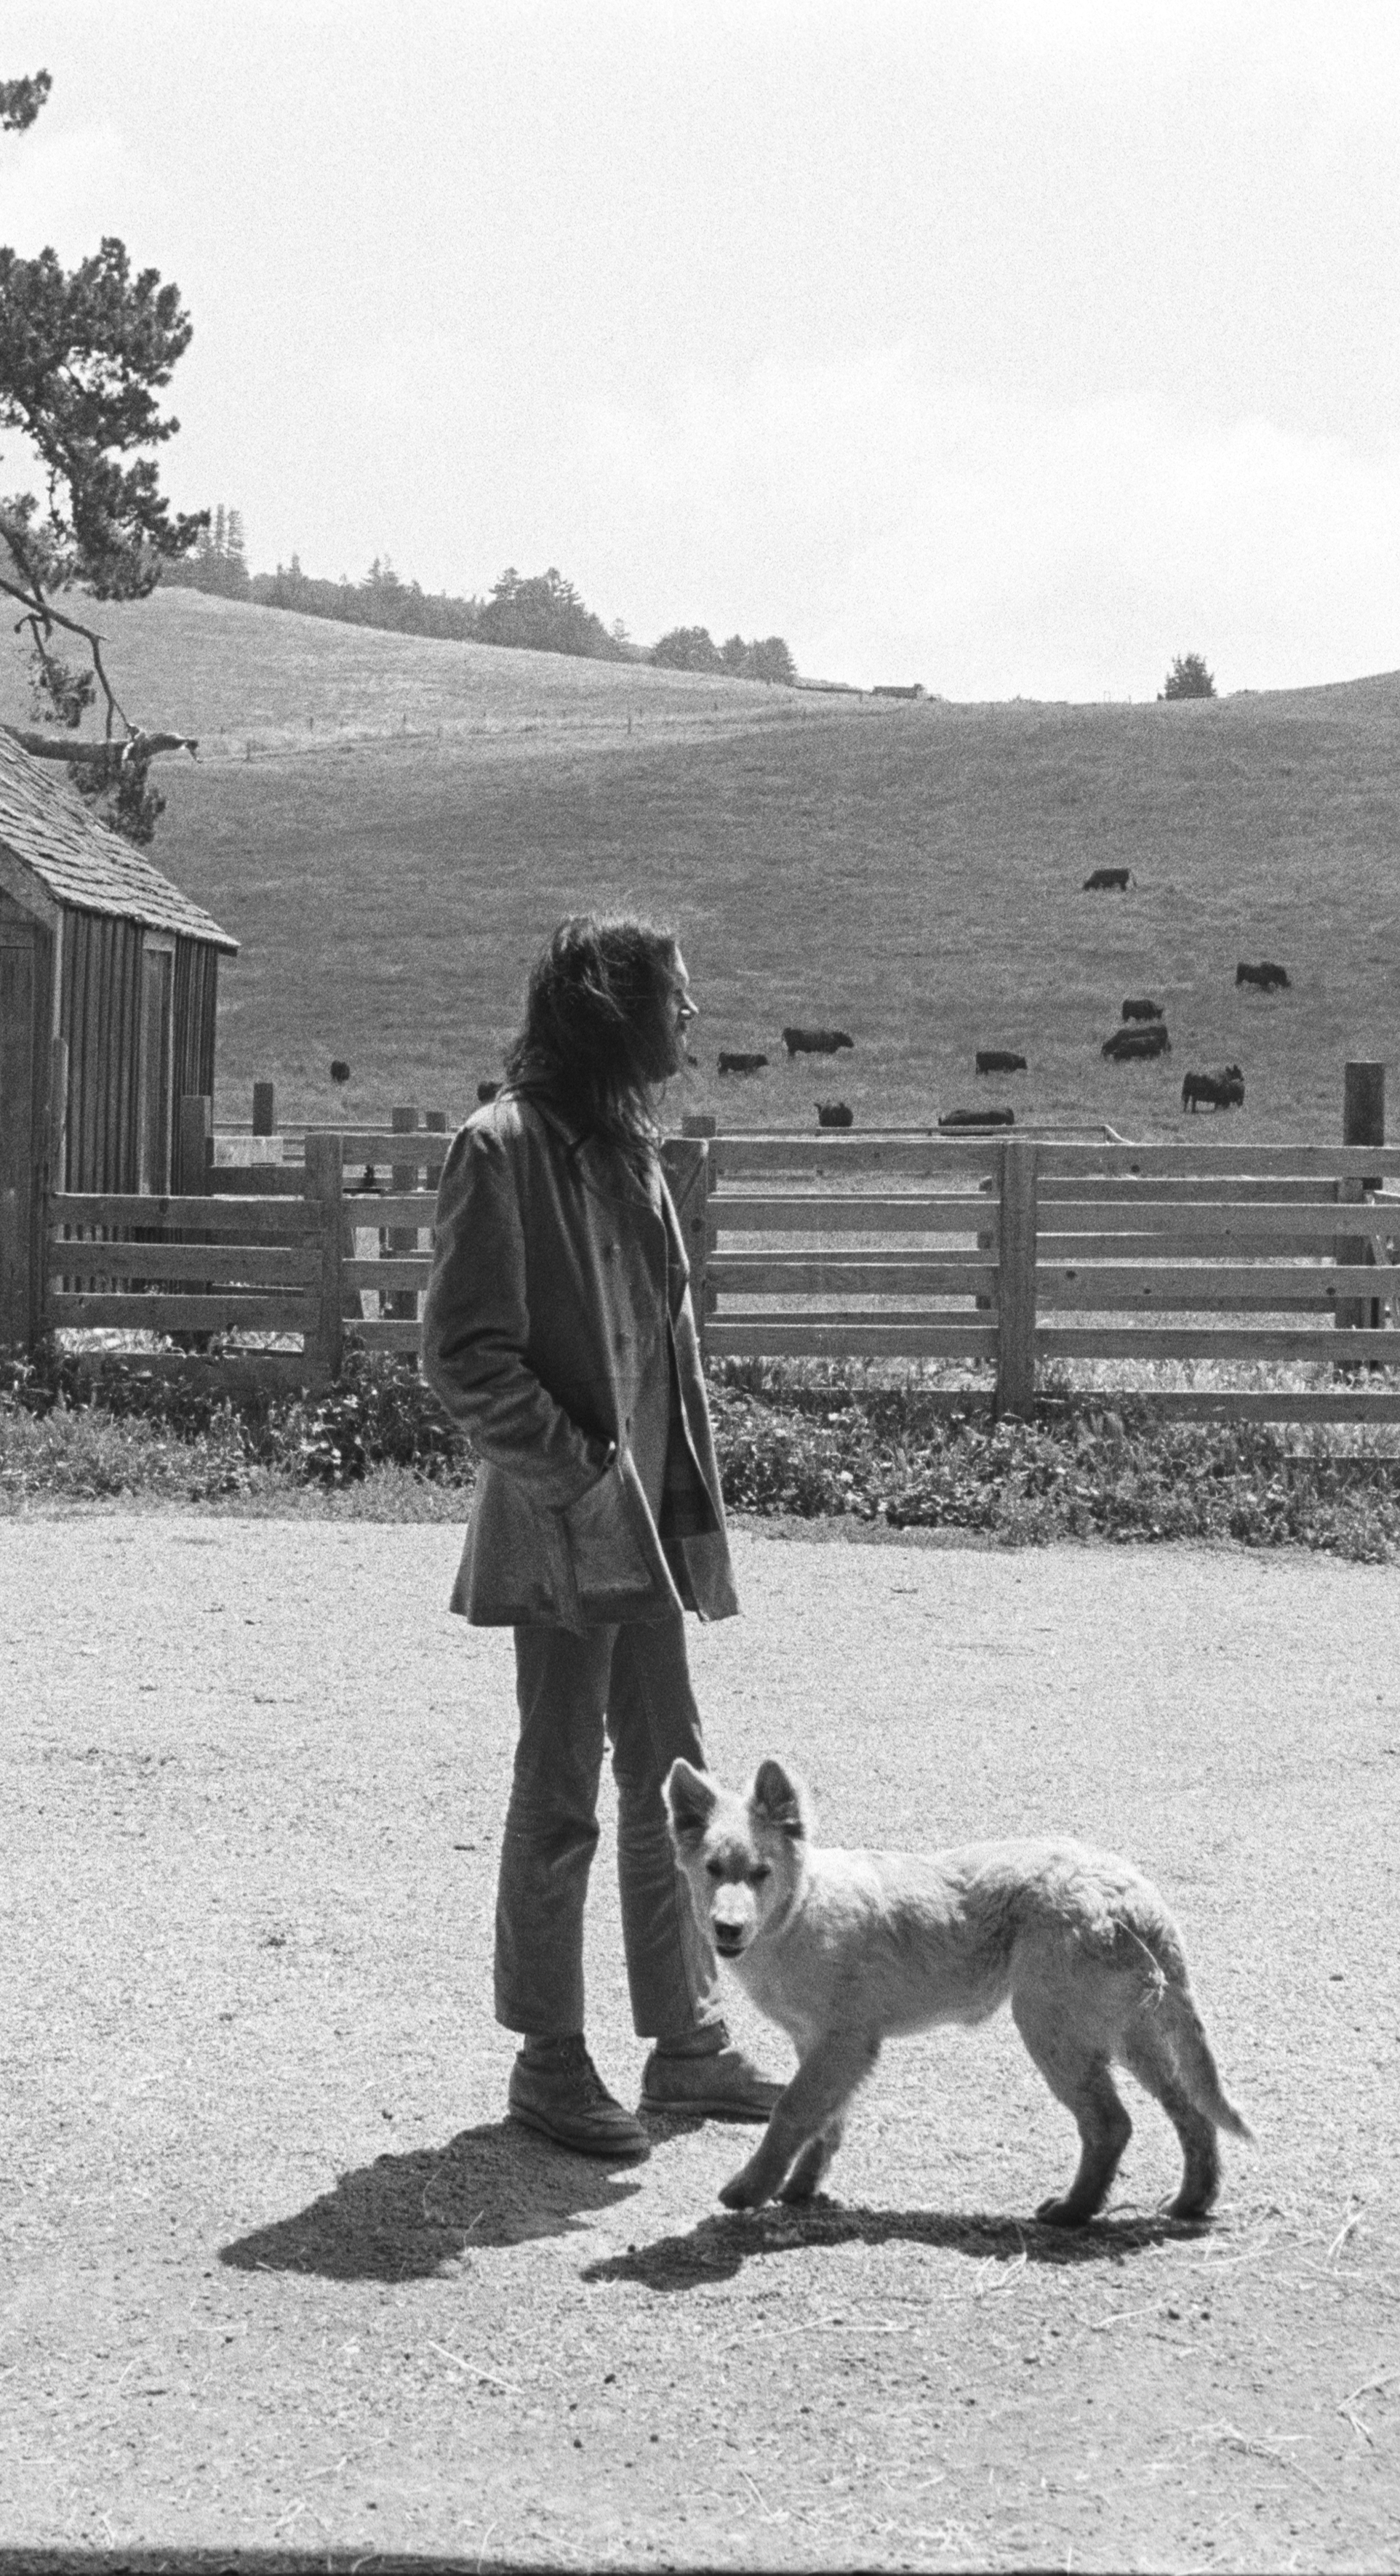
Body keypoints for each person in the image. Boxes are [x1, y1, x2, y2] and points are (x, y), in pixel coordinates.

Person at [420, 912, 788, 2156]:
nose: (691, 1019)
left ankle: (683, 2047)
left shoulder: (629, 1149)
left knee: (674, 1787)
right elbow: (466, 1359)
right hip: (570, 1533)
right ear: (609, 1006)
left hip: (644, 1533)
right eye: (676, 998)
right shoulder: (501, 1148)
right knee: (561, 1790)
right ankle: (547, 2060)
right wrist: (579, 1480)